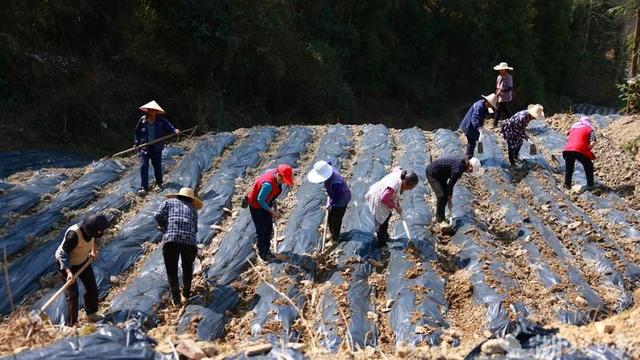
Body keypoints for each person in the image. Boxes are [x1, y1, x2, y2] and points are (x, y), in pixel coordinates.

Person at [54, 212, 110, 326]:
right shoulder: (73, 235)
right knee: (73, 295)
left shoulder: (92, 229)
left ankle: (92, 313)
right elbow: (63, 255)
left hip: (82, 261)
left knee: (92, 287)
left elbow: (95, 238)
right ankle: (72, 324)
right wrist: (69, 273)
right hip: (66, 264)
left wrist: (93, 251)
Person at [155, 187, 202, 306]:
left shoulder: (169, 203)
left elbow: (157, 215)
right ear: (191, 200)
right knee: (187, 268)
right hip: (190, 243)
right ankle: (185, 295)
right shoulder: (193, 210)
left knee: (172, 270)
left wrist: (164, 226)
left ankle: (176, 300)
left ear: (179, 196)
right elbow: (195, 229)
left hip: (171, 240)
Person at [246, 164, 294, 261]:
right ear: (279, 176)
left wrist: (272, 201)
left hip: (266, 202)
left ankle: (267, 249)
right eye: (285, 180)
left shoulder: (276, 174)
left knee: (268, 228)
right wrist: (272, 211)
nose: (285, 183)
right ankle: (263, 253)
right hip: (256, 206)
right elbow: (260, 200)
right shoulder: (268, 184)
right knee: (262, 230)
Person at [134, 100, 180, 195]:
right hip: (144, 147)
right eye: (150, 110)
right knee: (144, 166)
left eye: (153, 110)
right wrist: (136, 143)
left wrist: (175, 130)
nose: (152, 112)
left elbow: (170, 127)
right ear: (148, 111)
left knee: (157, 166)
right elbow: (137, 132)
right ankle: (144, 188)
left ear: (156, 111)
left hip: (156, 147)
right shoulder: (143, 120)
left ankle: (159, 183)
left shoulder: (161, 120)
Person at [365, 169, 419, 248]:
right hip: (378, 199)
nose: (411, 189)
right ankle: (381, 243)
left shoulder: (402, 176)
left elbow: (395, 194)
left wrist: (396, 204)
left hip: (384, 197)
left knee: (388, 216)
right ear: (405, 183)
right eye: (411, 187)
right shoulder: (393, 186)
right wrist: (395, 206)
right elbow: (383, 199)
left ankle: (385, 235)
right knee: (382, 223)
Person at [426, 157, 481, 226]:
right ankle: (440, 219)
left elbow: (450, 186)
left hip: (442, 175)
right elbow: (451, 185)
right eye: (471, 170)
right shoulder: (458, 170)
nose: (470, 172)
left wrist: (449, 198)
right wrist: (450, 199)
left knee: (445, 196)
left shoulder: (462, 165)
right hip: (432, 173)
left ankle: (440, 216)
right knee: (441, 196)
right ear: (470, 166)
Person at [307, 160, 351, 242]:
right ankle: (332, 234)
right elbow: (329, 162)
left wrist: (330, 203)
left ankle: (335, 238)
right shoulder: (327, 168)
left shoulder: (336, 182)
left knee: (336, 220)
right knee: (330, 218)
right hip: (335, 196)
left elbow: (337, 197)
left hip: (341, 201)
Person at [459, 94, 498, 158]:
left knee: (479, 140)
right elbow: (474, 119)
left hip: (472, 127)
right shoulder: (479, 107)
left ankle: (479, 154)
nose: (490, 107)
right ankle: (468, 159)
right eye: (490, 105)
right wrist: (479, 128)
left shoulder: (484, 105)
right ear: (487, 102)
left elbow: (488, 112)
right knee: (472, 143)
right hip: (469, 126)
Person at [563, 116, 596, 190]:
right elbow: (593, 142)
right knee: (588, 165)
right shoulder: (590, 130)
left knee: (569, 167)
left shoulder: (573, 128)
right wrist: (587, 149)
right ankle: (590, 185)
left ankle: (567, 185)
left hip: (567, 149)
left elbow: (568, 138)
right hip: (579, 149)